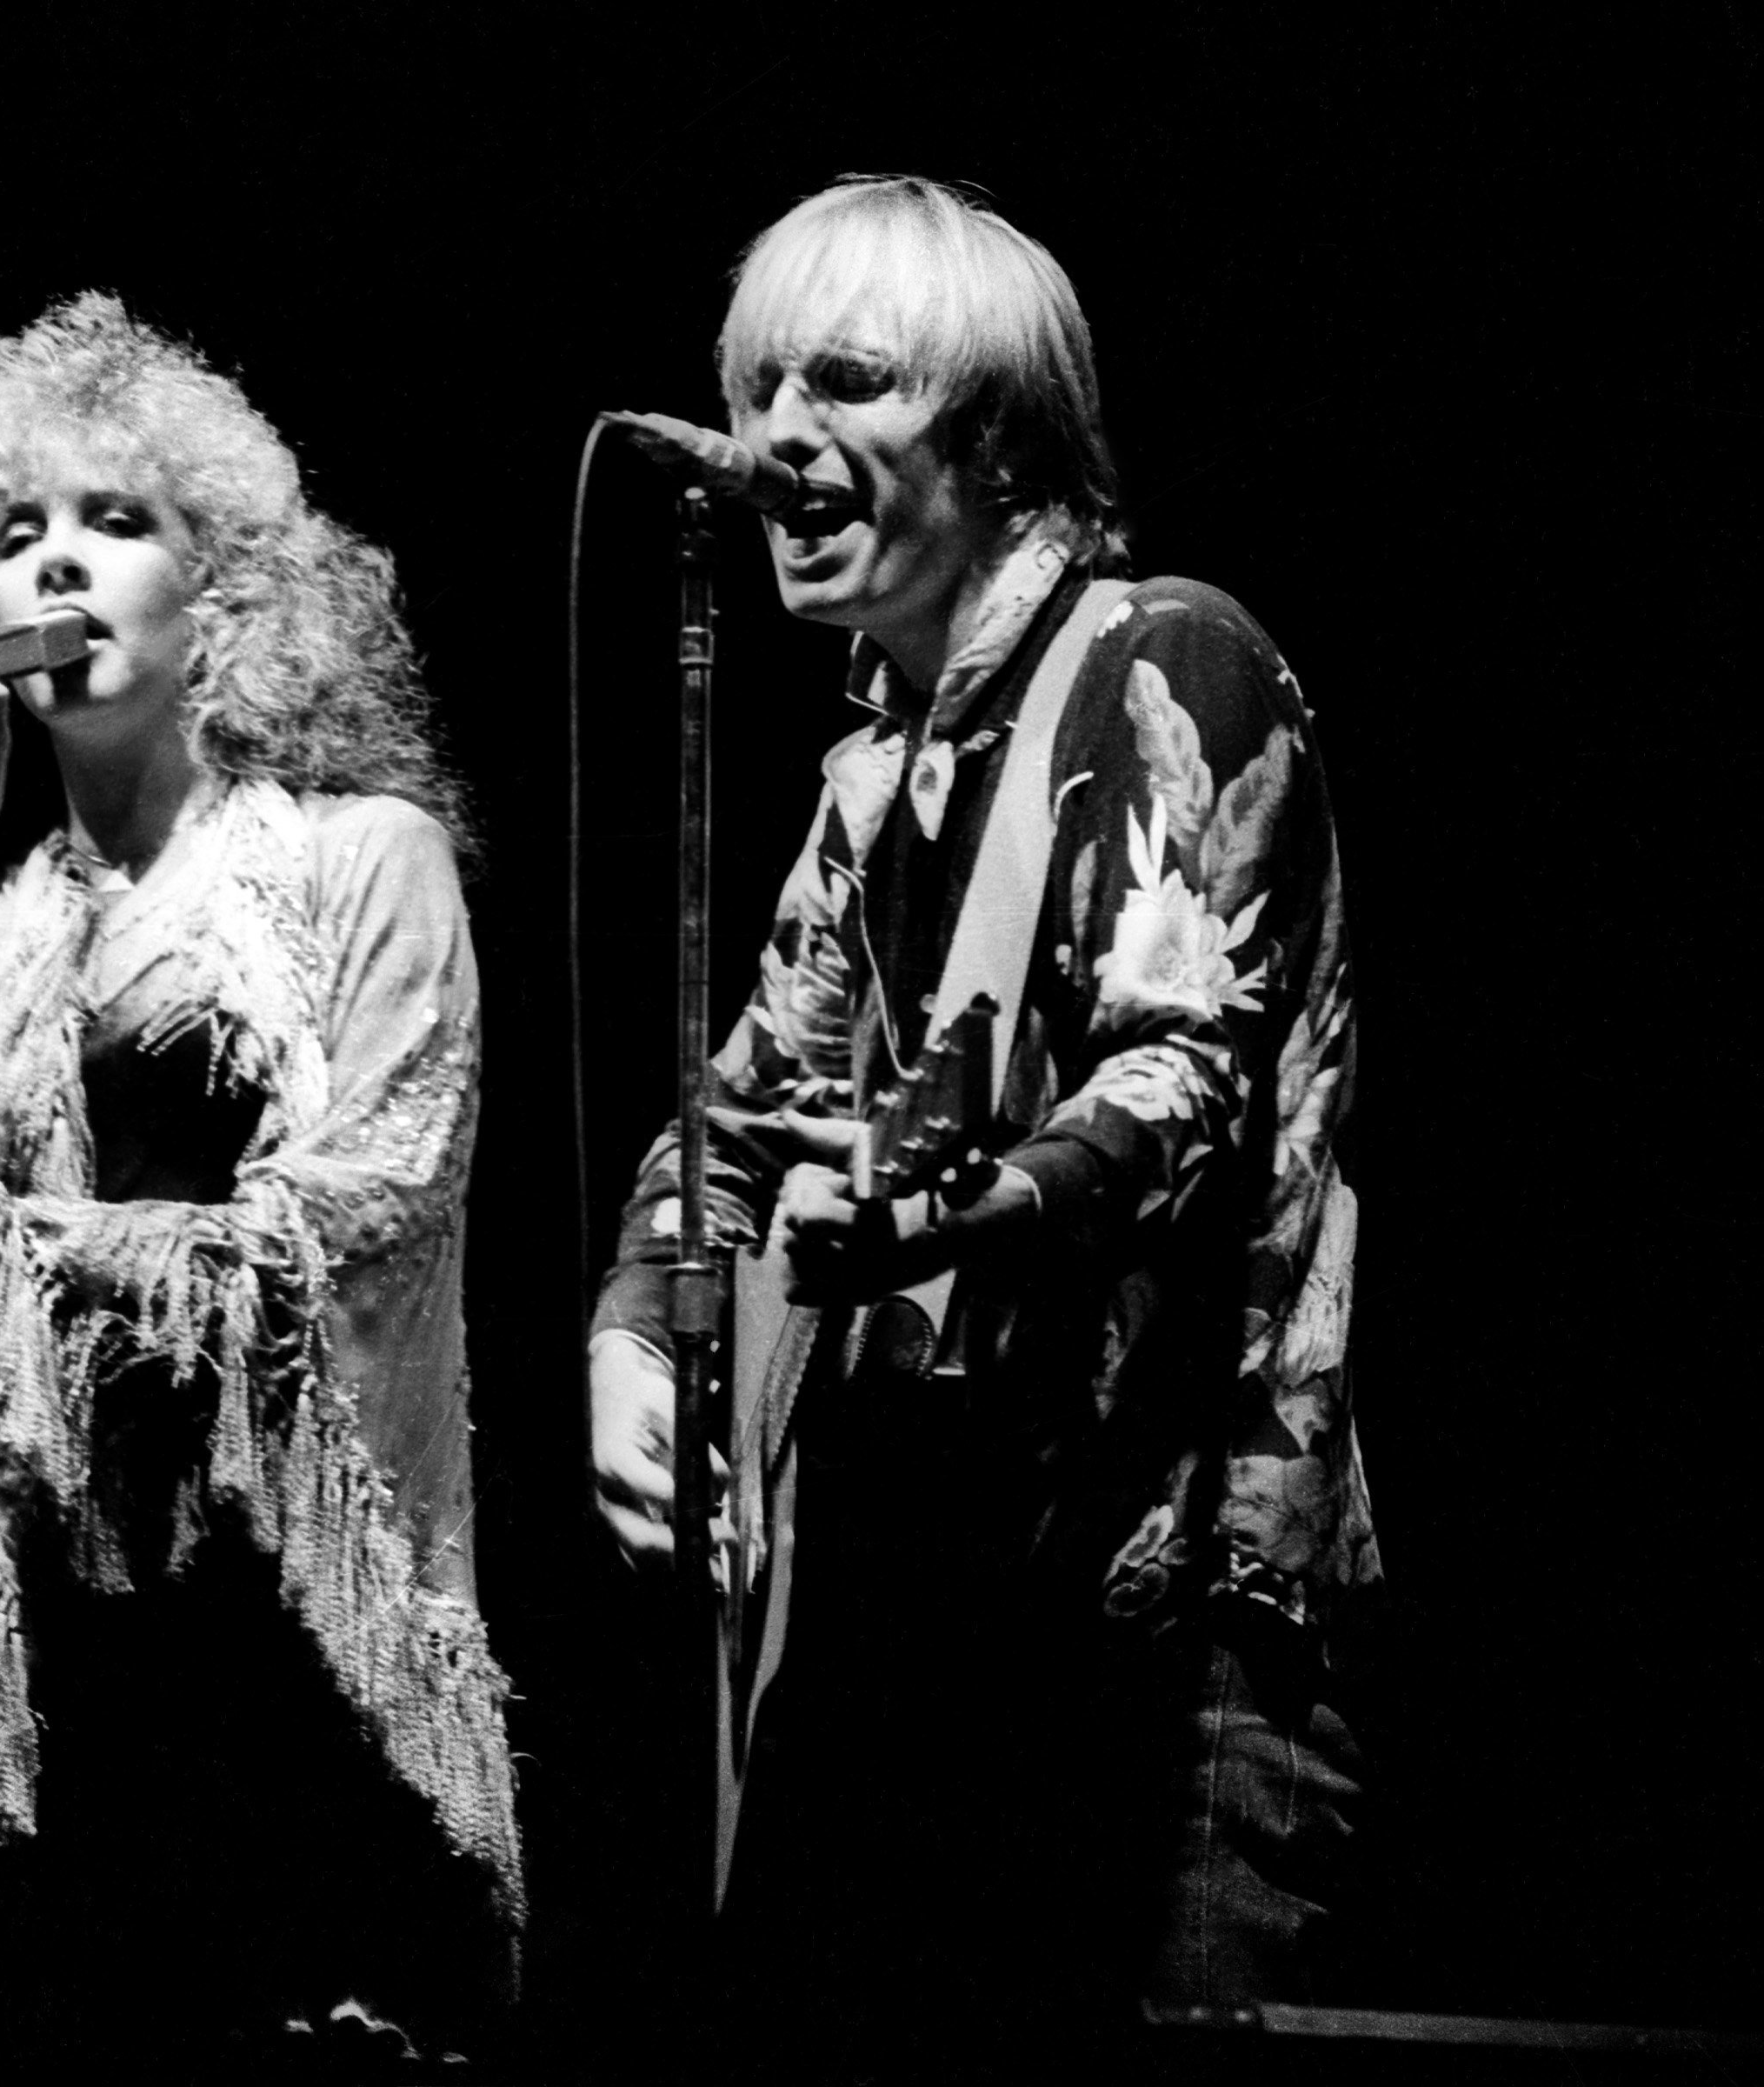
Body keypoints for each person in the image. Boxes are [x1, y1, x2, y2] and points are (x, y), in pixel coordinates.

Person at [587, 178, 1375, 2073]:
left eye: (846, 379)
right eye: (757, 382)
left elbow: (1181, 1088)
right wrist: (635, 1313)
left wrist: (953, 1217)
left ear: (1002, 435)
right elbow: (743, 1114)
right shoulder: (871, 778)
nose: (778, 432)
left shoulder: (1168, 660)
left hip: (1161, 1617)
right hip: (913, 1615)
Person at [0, 293, 522, 2080]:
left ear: (231, 600)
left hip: (281, 1628)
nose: (56, 567)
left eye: (119, 523)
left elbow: (379, 1192)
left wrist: (45, 1246)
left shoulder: (359, 860)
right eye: (15, 537)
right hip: (48, 1667)